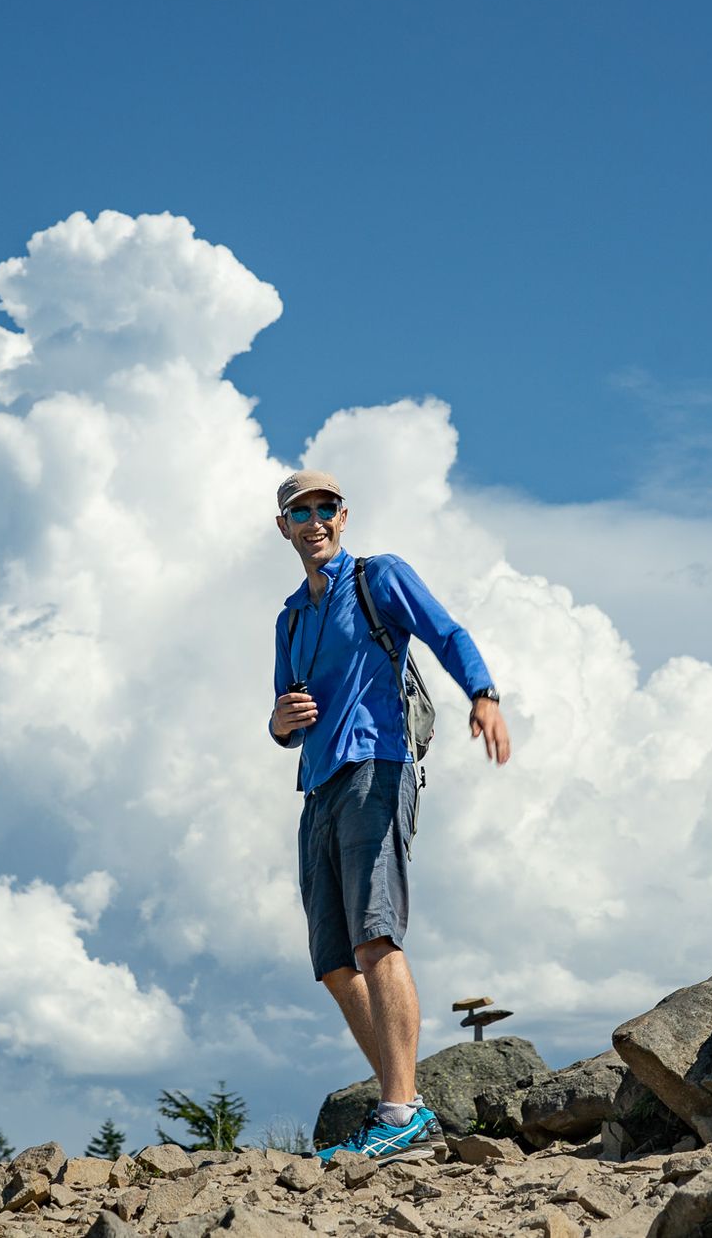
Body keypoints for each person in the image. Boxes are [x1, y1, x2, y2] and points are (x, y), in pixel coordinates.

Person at [268, 468, 510, 1162]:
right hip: (317, 787)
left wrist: (483, 693)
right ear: (282, 526)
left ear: (343, 517)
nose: (314, 519)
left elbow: (445, 630)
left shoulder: (379, 577)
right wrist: (279, 721)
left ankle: (397, 1111)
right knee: (335, 963)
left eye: (326, 508)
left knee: (376, 936)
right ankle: (406, 1106)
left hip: (379, 768)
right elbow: (285, 713)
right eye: (300, 511)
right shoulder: (289, 618)